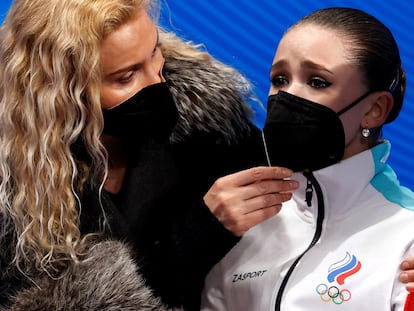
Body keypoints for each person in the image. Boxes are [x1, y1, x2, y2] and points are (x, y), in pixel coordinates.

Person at [0, 0, 298, 309]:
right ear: (61, 92)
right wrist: (198, 234)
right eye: (126, 77)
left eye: (154, 51)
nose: (158, 81)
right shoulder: (11, 197)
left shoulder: (206, 120)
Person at [201, 7, 414, 310]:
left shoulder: (406, 234)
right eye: (280, 79)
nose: (288, 96)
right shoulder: (241, 217)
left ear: (374, 109)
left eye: (317, 82)